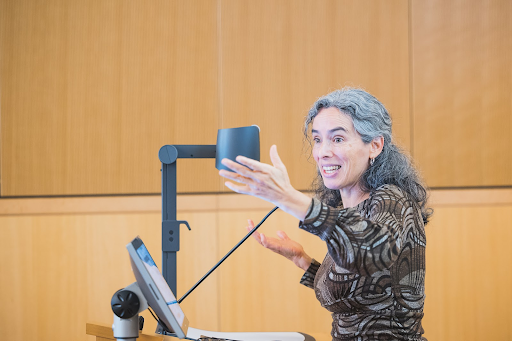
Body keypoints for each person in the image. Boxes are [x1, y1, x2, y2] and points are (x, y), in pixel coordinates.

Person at [219, 88, 430, 341]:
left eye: (338, 139)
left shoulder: (393, 200)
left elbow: (372, 252)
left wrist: (288, 197)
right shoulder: (346, 210)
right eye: (318, 139)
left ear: (375, 145)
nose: (322, 152)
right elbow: (359, 289)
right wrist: (303, 261)